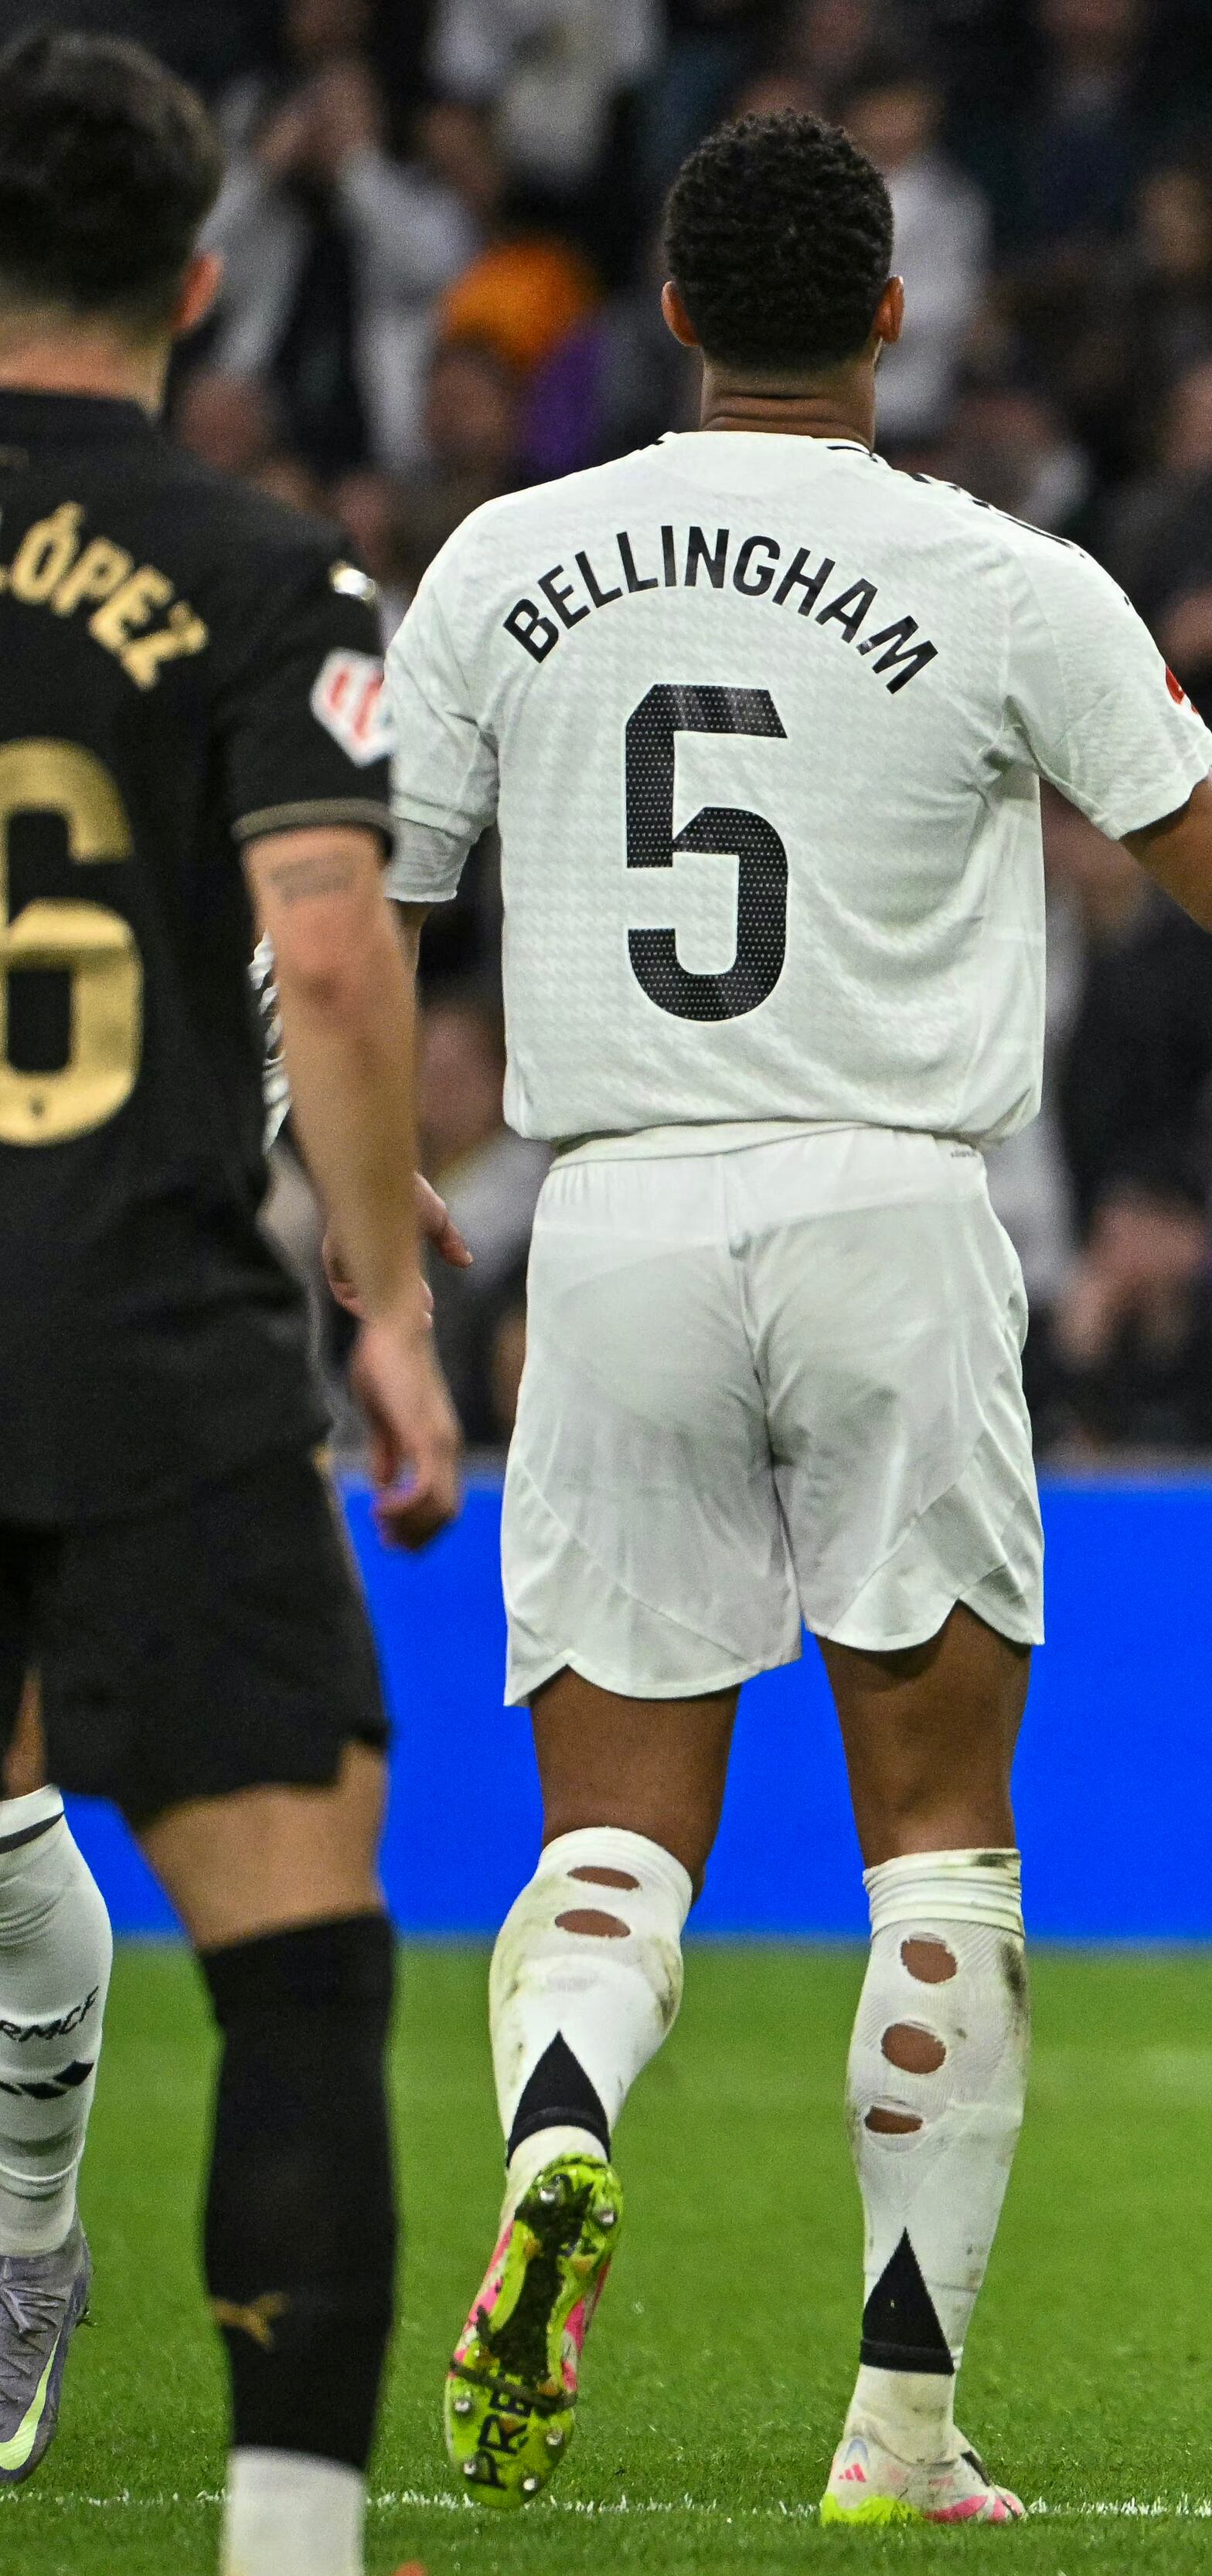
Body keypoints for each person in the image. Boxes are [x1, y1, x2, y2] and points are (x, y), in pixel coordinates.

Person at [380, 108, 1212, 2524]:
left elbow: (368, 911)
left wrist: (368, 1206)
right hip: (892, 1206)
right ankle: (900, 2423)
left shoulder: (504, 563)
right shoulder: (1003, 578)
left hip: (621, 1208)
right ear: (900, 316)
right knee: (939, 1841)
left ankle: (565, 2117)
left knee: (613, 1834)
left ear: (667, 316)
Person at [0, 30, 465, 2574]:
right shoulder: (275, 575)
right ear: (195, 278)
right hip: (148, 1332)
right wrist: (384, 1306)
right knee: (294, 1980)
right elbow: (334, 946)